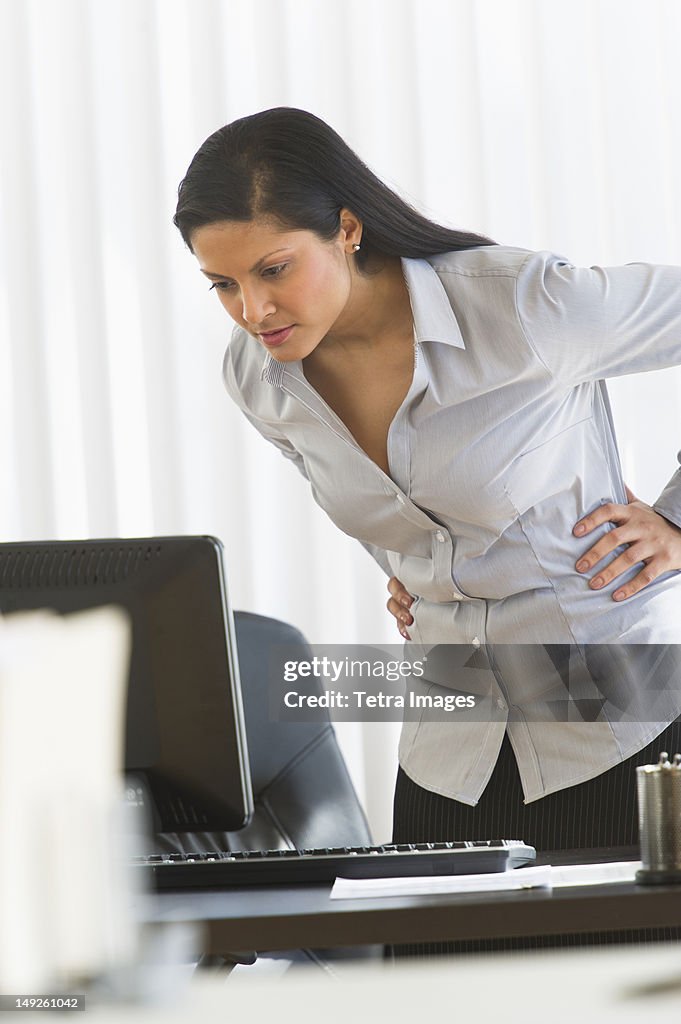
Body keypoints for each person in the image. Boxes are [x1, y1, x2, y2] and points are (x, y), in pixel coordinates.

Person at [173, 107, 681, 948]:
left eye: (272, 269)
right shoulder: (259, 376)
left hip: (614, 716)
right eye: (223, 284)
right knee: (443, 988)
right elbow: (374, 503)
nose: (251, 309)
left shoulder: (524, 305)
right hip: (449, 734)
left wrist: (672, 516)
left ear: (345, 229)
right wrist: (415, 562)